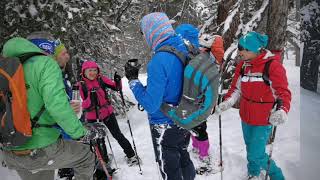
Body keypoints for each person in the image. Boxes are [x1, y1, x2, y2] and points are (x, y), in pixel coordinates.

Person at [1, 36, 107, 180]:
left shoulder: (5, 70)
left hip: (11, 151)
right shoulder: (44, 64)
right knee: (86, 157)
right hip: (41, 147)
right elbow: (56, 106)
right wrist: (82, 133)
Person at [125, 12, 195, 180]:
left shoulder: (159, 60)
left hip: (164, 124)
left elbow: (151, 104)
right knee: (184, 158)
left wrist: (133, 80)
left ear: (152, 31)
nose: (144, 38)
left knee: (170, 169)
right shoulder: (183, 47)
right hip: (184, 118)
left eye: (144, 33)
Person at [215, 31, 291, 180]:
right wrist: (227, 102)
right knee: (250, 148)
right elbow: (236, 89)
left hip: (263, 119)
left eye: (245, 49)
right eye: (240, 48)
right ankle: (254, 173)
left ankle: (277, 176)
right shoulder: (243, 66)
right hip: (246, 115)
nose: (240, 52)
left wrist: (282, 110)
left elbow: (283, 92)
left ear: (256, 50)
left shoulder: (272, 66)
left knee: (256, 153)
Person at [79, 60, 140, 168]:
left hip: (107, 113)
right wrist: (90, 100)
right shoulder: (82, 85)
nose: (92, 73)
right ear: (84, 72)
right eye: (89, 70)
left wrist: (118, 81)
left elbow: (116, 87)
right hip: (93, 117)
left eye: (94, 70)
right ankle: (105, 162)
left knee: (117, 134)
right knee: (99, 139)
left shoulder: (101, 79)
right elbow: (83, 104)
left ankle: (131, 155)